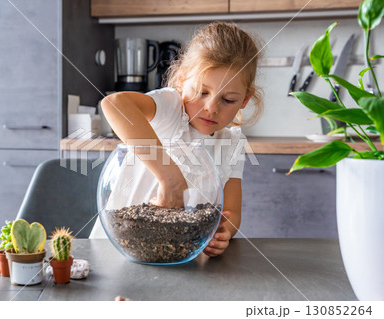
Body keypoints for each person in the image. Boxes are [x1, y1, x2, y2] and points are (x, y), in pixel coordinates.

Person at [89, 22, 263, 257]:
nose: (211, 108)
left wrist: (223, 233)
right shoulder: (170, 109)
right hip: (120, 248)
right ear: (181, 82)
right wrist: (169, 177)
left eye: (228, 100)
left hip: (179, 254)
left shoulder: (231, 143)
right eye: (202, 92)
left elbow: (231, 212)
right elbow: (114, 104)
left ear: (244, 100)